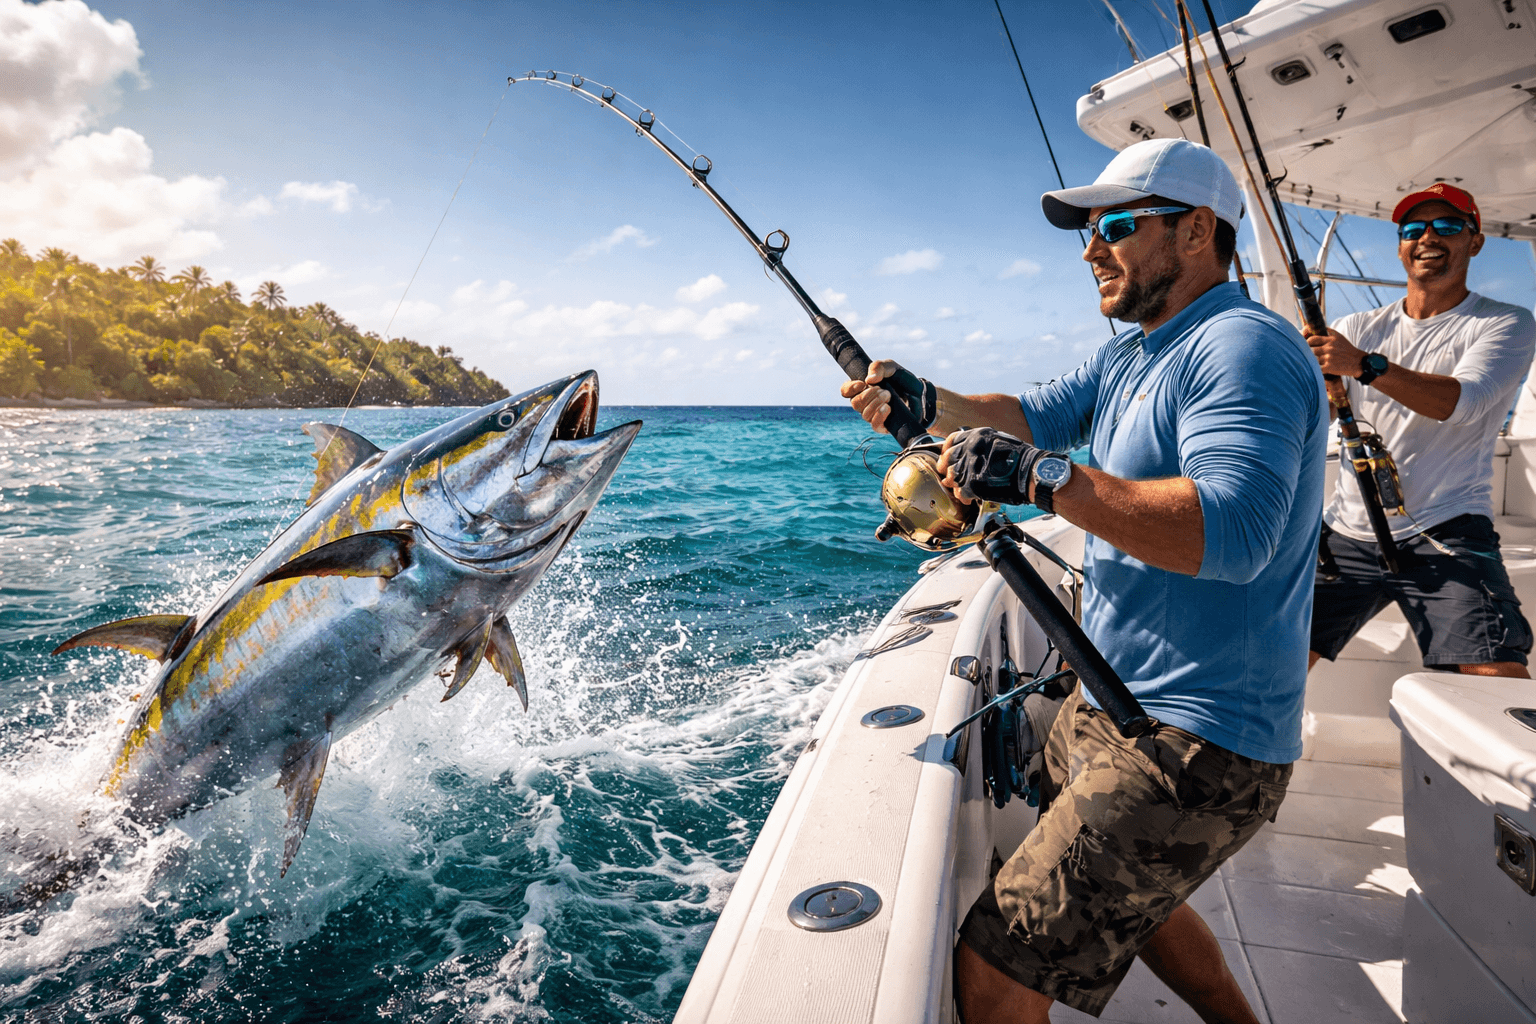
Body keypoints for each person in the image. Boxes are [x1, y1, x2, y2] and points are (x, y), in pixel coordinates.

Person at [842, 138, 1327, 1024]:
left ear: (1196, 232)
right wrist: (926, 399)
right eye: (1086, 230)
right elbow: (1027, 417)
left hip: (1197, 740)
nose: (1090, 249)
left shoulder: (1240, 348)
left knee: (994, 971)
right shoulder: (1134, 352)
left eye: (1114, 225)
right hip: (1110, 701)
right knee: (1136, 904)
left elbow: (1235, 532)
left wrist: (1043, 478)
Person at [1305, 183, 1536, 679]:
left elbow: (1463, 402)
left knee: (1498, 680)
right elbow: (1309, 418)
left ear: (1474, 241)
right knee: (1263, 659)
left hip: (1446, 528)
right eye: (1414, 229)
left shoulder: (1505, 323)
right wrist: (1312, 388)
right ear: (1401, 245)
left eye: (1447, 226)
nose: (1428, 237)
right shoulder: (1359, 324)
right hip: (1347, 530)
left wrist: (1362, 365)